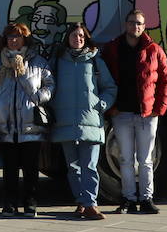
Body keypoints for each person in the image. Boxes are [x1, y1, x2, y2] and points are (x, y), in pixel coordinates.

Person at [101, 10, 167, 214]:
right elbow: (103, 78)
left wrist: (159, 109)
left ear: (144, 26)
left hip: (147, 115)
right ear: (126, 24)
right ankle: (128, 199)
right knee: (125, 159)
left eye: (139, 23)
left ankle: (147, 199)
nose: (136, 27)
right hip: (121, 114)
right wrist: (111, 108)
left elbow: (166, 80)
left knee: (146, 159)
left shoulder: (154, 49)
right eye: (132, 23)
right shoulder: (113, 48)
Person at [0, 22, 53, 216]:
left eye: (18, 37)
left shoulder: (38, 62)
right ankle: (9, 203)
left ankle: (30, 203)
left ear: (25, 39)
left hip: (30, 123)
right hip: (4, 123)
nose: (13, 41)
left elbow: (50, 85)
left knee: (31, 167)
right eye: (10, 37)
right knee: (9, 167)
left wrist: (38, 98)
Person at [50, 22, 117, 220]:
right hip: (65, 122)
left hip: (91, 121)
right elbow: (49, 86)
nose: (77, 39)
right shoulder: (58, 61)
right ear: (67, 39)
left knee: (89, 165)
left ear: (85, 38)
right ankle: (81, 201)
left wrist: (101, 104)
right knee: (72, 167)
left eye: (81, 36)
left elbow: (109, 87)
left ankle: (90, 204)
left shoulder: (95, 61)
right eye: (74, 36)